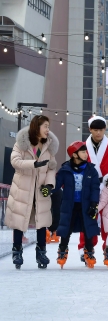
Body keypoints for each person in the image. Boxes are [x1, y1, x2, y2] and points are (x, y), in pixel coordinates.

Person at [6, 115, 59, 269]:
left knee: (41, 222)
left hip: (40, 190)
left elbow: (51, 167)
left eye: (48, 127)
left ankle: (41, 252)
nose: (48, 130)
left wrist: (49, 185)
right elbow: (15, 161)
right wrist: (34, 163)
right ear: (37, 127)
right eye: (45, 126)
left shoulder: (48, 147)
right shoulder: (21, 144)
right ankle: (17, 251)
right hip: (23, 188)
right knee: (19, 220)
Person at [78, 116, 108, 255]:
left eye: (101, 130)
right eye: (95, 130)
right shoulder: (82, 148)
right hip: (88, 188)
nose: (98, 133)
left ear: (105, 130)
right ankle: (86, 246)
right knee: (87, 217)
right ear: (90, 130)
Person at [54, 142, 101, 268]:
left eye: (86, 152)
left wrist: (94, 204)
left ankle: (89, 251)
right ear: (74, 155)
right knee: (66, 229)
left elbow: (95, 188)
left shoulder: (91, 170)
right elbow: (56, 184)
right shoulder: (65, 170)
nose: (86, 154)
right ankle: (62, 250)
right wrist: (48, 188)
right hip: (69, 205)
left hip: (86, 205)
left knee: (88, 229)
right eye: (83, 152)